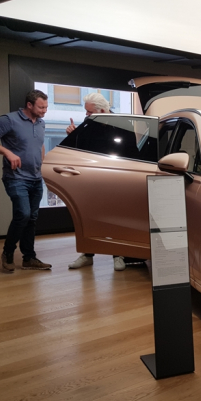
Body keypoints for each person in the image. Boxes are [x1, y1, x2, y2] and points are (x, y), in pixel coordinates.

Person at [0, 90, 52, 272]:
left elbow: (40, 144)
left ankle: (29, 258)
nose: (44, 111)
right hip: (16, 177)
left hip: (36, 178)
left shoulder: (41, 123)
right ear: (29, 105)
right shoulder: (9, 120)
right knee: (23, 215)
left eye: (46, 107)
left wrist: (42, 165)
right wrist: (7, 152)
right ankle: (8, 253)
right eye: (41, 107)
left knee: (32, 219)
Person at [66, 93, 139, 272]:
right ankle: (87, 254)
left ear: (103, 111)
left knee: (116, 218)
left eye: (89, 112)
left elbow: (132, 153)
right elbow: (79, 151)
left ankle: (118, 255)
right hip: (92, 179)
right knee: (88, 217)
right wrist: (73, 135)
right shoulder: (88, 124)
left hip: (116, 179)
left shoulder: (123, 125)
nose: (86, 115)